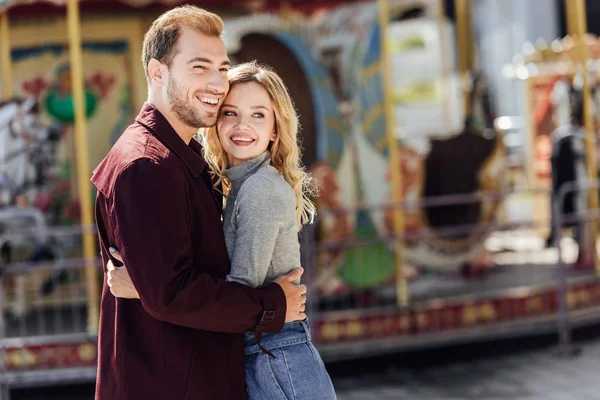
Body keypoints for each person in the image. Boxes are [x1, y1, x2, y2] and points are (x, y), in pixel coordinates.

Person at [90, 7, 307, 400]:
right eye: (199, 67)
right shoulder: (147, 166)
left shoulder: (180, 159)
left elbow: (169, 285)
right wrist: (273, 304)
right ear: (158, 72)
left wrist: (142, 286)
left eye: (222, 68)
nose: (217, 83)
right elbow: (171, 293)